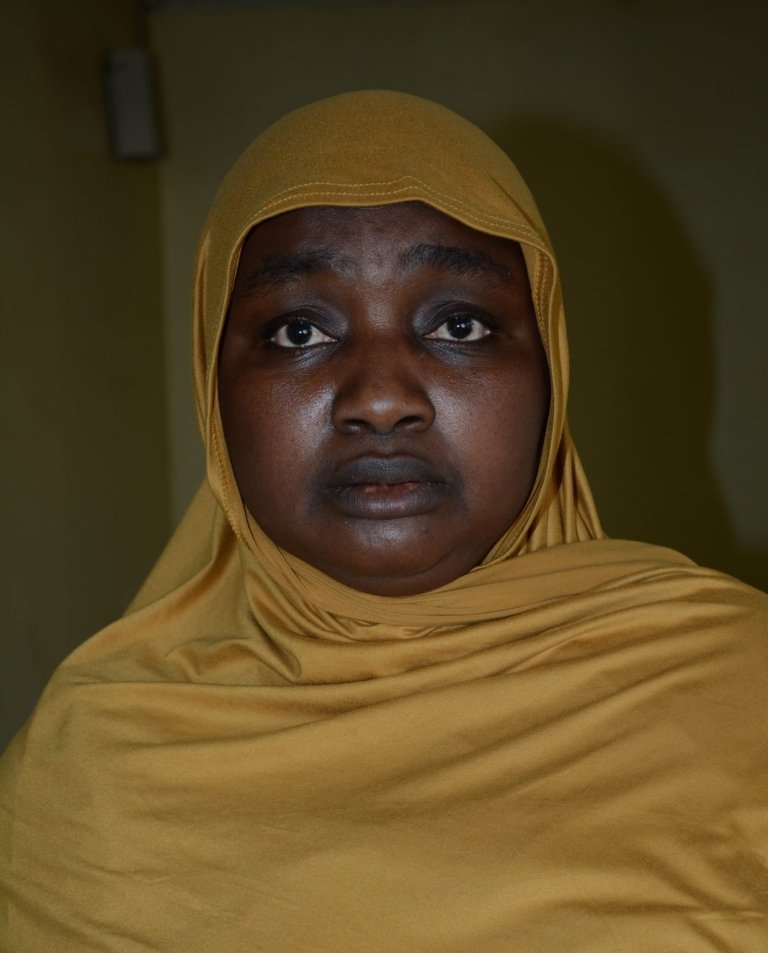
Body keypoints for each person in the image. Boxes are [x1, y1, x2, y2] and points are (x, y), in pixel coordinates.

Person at [1, 90, 767, 952]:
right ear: (212, 387)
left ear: (550, 369)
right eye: (298, 332)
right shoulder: (89, 770)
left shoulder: (740, 691)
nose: (379, 398)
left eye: (460, 324)